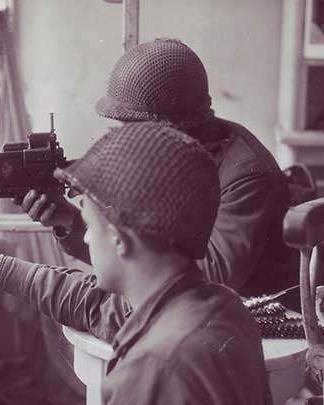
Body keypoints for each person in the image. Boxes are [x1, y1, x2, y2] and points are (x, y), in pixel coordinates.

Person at [0, 122, 271, 404]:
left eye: (90, 226)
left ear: (121, 239)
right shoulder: (223, 308)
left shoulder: (148, 371)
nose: (87, 239)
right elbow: (91, 301)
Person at [16, 38, 295, 298]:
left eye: (132, 128)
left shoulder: (246, 174)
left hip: (260, 317)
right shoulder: (176, 158)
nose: (126, 140)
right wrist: (71, 222)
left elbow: (212, 278)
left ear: (169, 127)